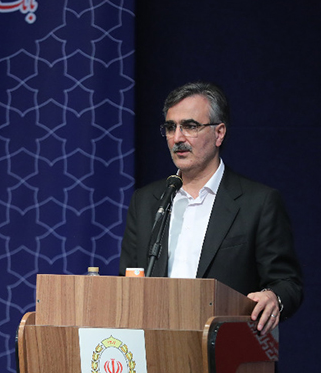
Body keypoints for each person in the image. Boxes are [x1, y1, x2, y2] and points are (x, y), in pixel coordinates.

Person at [119, 82, 303, 334]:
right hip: (155, 346)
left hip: (226, 347)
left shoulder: (258, 203)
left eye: (190, 126)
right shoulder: (146, 201)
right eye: (171, 127)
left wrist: (273, 297)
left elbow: (287, 283)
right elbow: (126, 280)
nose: (177, 138)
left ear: (219, 133)